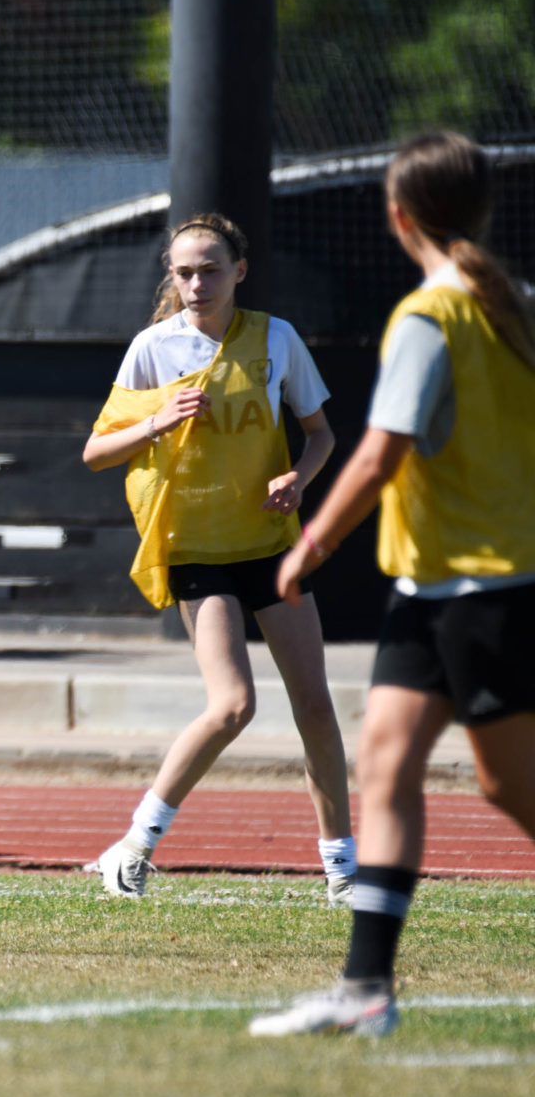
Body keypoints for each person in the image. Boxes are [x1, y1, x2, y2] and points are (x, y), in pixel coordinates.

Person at [251, 132, 535, 1037]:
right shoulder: (512, 302)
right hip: (430, 590)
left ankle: (366, 985)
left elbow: (381, 450)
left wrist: (310, 546)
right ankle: (366, 988)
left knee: (507, 788)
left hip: (485, 589)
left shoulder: (434, 315)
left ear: (397, 213)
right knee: (386, 769)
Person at [82, 213, 354, 905]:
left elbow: (321, 434)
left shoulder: (276, 339)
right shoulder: (152, 349)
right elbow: (96, 451)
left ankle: (342, 870)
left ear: (240, 269)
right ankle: (134, 846)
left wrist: (299, 477)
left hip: (269, 544)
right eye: (183, 271)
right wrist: (156, 421)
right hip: (196, 549)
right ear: (170, 278)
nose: (196, 282)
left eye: (209, 268)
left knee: (316, 708)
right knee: (232, 704)